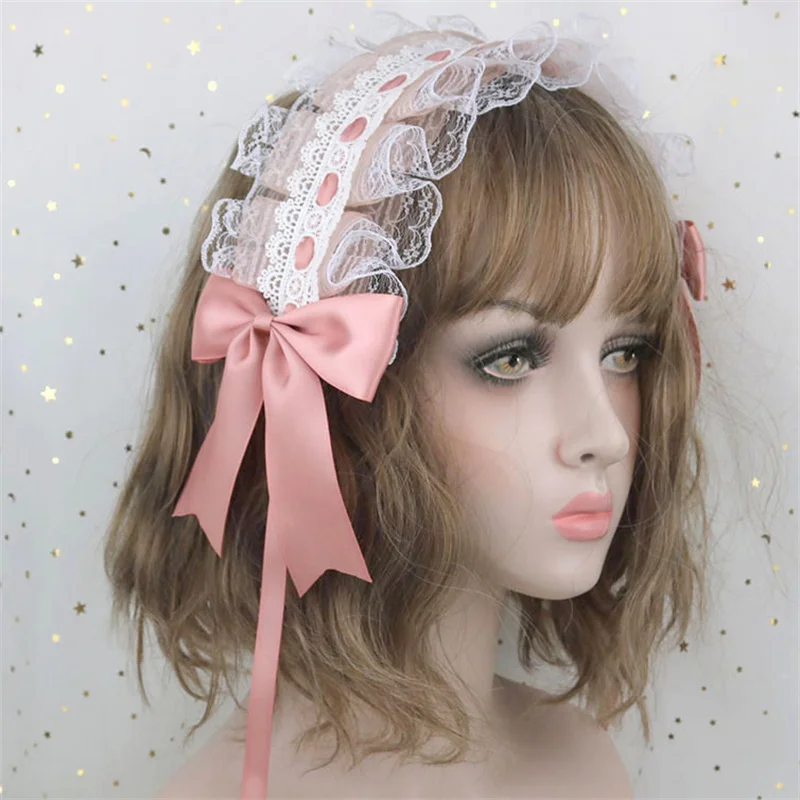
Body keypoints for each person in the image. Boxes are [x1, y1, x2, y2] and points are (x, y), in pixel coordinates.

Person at [103, 12, 709, 799]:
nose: (606, 436)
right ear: (343, 397)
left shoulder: (578, 759)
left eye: (625, 353)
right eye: (510, 359)